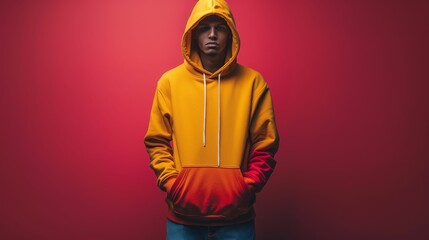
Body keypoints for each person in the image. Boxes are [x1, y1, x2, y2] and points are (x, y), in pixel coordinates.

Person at [144, 0, 279, 239]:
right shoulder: (169, 83)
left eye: (221, 28)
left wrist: (246, 186)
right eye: (205, 28)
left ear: (231, 35)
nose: (213, 35)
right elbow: (156, 141)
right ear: (193, 35)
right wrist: (173, 185)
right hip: (183, 220)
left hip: (237, 219)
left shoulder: (253, 83)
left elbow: (265, 143)